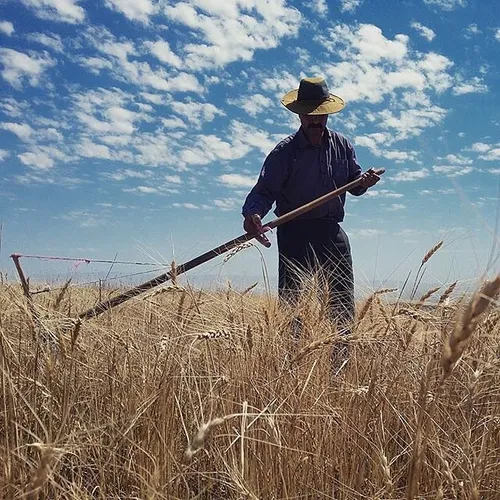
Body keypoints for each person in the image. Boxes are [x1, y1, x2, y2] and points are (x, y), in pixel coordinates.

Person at [242, 76, 381, 341]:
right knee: (294, 308)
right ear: (299, 116)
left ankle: (340, 364)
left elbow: (354, 183)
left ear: (328, 114)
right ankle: (293, 363)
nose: (315, 120)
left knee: (340, 306)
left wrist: (364, 182)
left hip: (331, 232)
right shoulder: (284, 153)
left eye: (320, 115)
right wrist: (253, 215)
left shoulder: (342, 145)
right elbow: (263, 192)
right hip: (295, 233)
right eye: (309, 115)